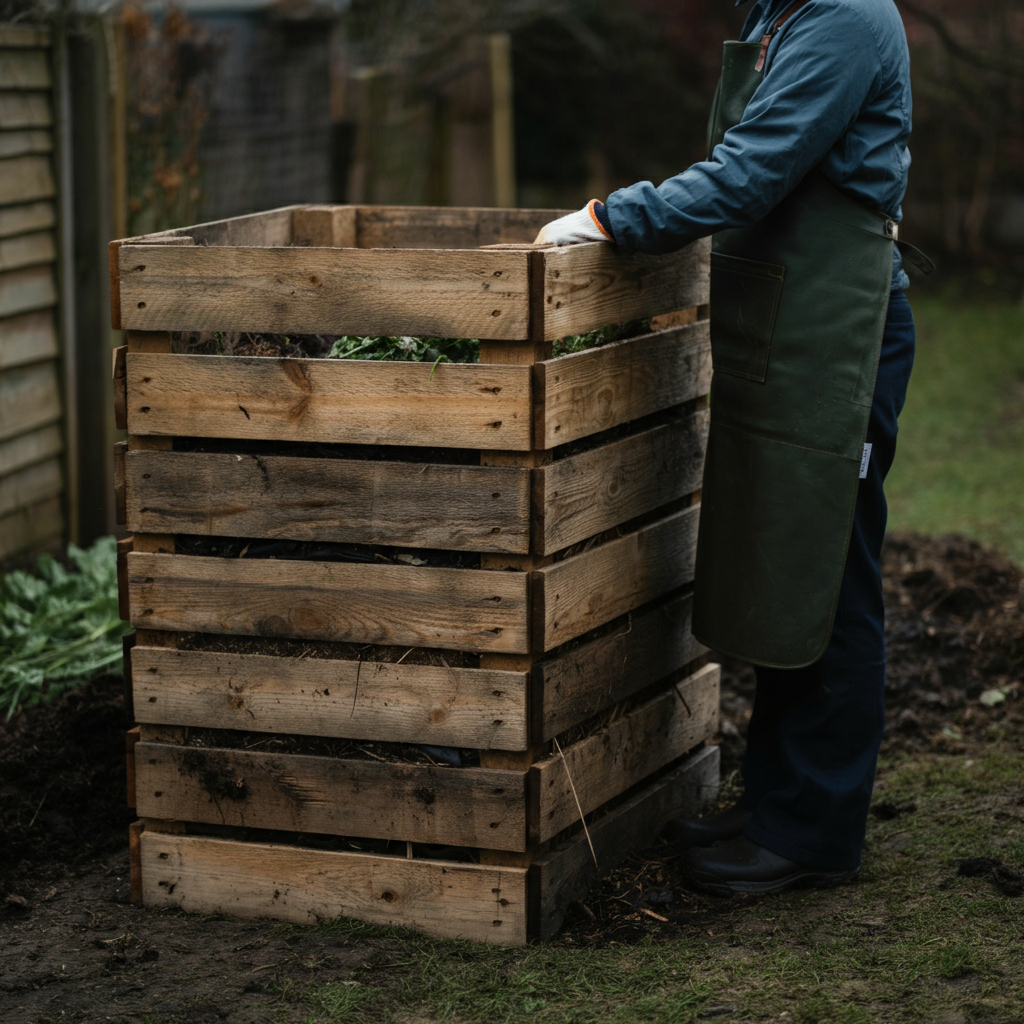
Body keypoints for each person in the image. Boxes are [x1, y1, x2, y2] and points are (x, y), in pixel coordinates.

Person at [534, 0, 929, 894]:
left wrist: (611, 219)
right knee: (782, 562)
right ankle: (778, 801)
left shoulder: (847, 17)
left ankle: (815, 833)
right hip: (783, 324)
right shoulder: (778, 10)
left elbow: (752, 172)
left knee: (834, 570)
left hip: (840, 337)